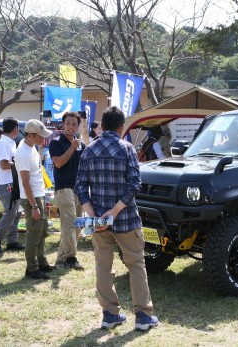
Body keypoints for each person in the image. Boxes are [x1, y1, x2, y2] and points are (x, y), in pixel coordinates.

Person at [75, 106, 159, 331]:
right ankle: (142, 316)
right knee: (136, 265)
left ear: (101, 126)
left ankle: (109, 314)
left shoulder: (89, 150)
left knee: (103, 267)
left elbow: (80, 186)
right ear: (122, 127)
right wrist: (116, 209)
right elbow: (135, 184)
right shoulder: (127, 148)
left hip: (99, 222)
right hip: (127, 220)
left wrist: (93, 215)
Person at [16, 119, 56, 280]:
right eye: (40, 136)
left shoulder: (32, 147)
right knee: (33, 234)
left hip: (38, 195)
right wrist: (34, 206)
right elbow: (25, 183)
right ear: (31, 135)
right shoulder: (23, 152)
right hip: (31, 198)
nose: (43, 139)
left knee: (43, 230)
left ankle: (41, 262)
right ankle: (31, 268)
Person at [49, 112, 85, 270]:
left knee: (77, 225)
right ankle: (71, 257)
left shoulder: (81, 144)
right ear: (63, 125)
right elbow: (58, 164)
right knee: (70, 224)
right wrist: (71, 148)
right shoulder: (56, 142)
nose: (71, 127)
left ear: (78, 126)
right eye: (68, 123)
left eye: (74, 124)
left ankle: (61, 260)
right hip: (63, 188)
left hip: (79, 188)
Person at [0, 117, 25, 253]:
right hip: (7, 184)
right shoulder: (4, 143)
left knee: (17, 213)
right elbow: (4, 164)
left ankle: (12, 241)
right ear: (15, 129)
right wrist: (19, 163)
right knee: (10, 213)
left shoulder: (9, 142)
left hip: (12, 182)